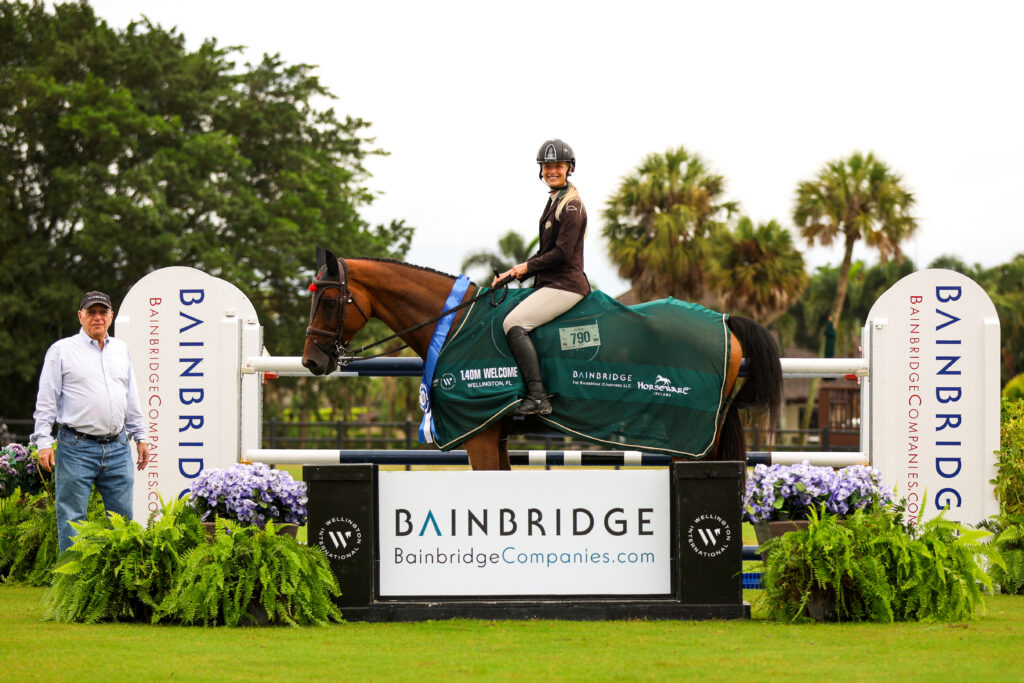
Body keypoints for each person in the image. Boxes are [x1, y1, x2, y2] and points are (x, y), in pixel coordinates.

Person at [31, 291, 150, 554]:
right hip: (76, 446)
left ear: (111, 316)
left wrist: (140, 437)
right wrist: (43, 442)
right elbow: (47, 400)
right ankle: (73, 586)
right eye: (91, 312)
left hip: (119, 446)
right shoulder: (61, 351)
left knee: (121, 521)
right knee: (72, 519)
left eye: (103, 312)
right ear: (80, 316)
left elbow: (131, 396)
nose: (97, 317)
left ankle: (117, 585)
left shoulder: (121, 349)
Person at [492, 139, 590, 415]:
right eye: (547, 167)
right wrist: (513, 272)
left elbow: (561, 254)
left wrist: (527, 268)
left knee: (514, 323)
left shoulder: (571, 206)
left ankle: (538, 396)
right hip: (551, 282)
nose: (551, 171)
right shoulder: (555, 201)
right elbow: (545, 251)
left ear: (569, 169)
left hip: (566, 285)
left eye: (557, 166)